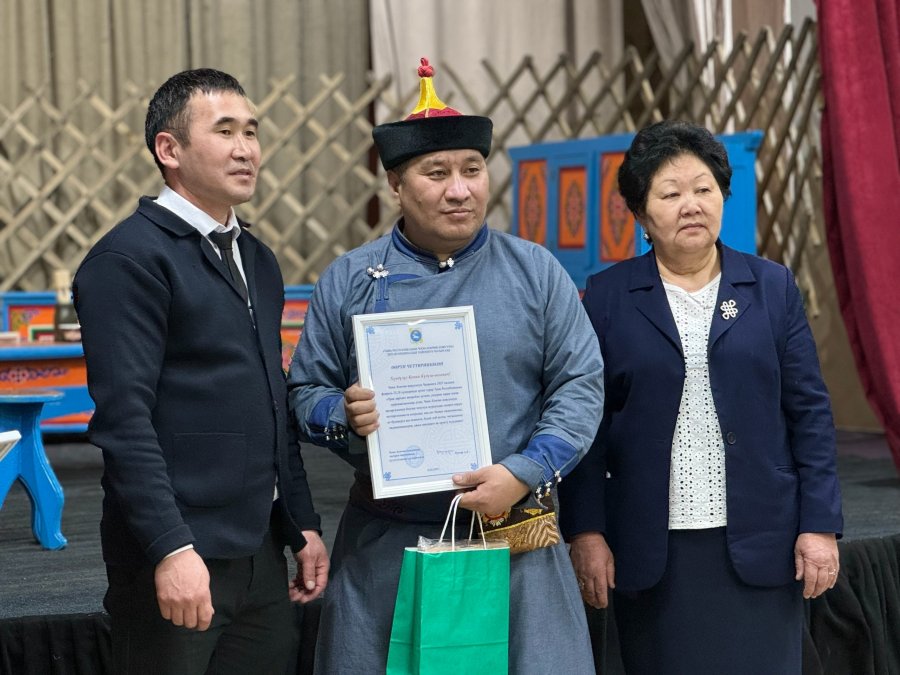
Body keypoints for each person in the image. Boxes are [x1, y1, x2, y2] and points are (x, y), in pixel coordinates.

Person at [287, 58, 604, 674]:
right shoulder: (350, 279)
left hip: (516, 539)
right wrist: (343, 415)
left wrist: (523, 471)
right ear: (396, 185)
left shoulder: (535, 271)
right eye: (437, 173)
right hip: (388, 543)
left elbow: (581, 385)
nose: (460, 189)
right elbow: (303, 392)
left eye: (472, 169)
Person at [558, 120, 844, 674]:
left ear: (722, 197)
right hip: (652, 548)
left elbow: (809, 413)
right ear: (641, 214)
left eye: (703, 189)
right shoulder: (609, 296)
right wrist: (587, 531)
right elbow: (588, 426)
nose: (690, 205)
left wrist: (820, 523)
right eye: (670, 194)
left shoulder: (771, 287)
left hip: (763, 538)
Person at [73, 68, 328, 674]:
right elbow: (124, 422)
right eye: (225, 131)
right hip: (178, 553)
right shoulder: (128, 259)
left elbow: (272, 399)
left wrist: (303, 524)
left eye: (252, 132)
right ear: (170, 149)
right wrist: (170, 547)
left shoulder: (258, 258)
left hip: (261, 551)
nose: (246, 149)